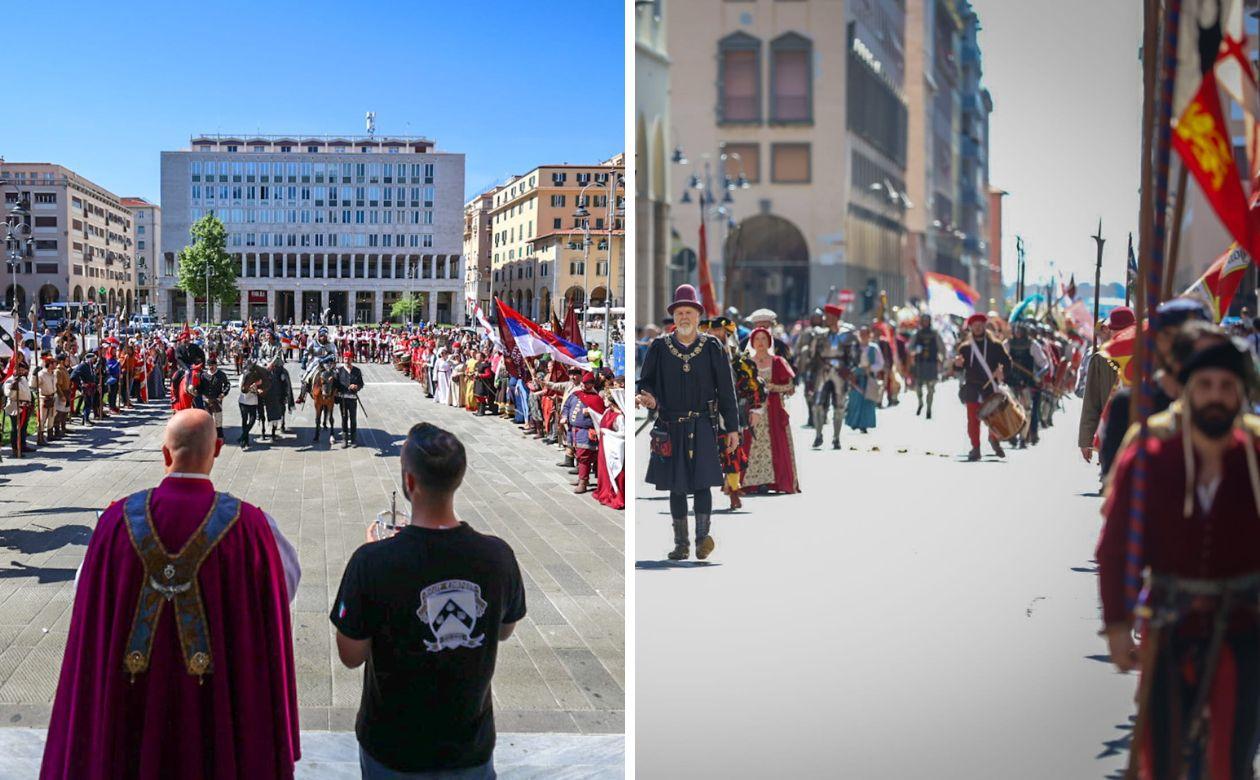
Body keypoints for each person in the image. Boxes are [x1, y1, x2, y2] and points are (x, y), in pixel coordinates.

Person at [42, 409, 301, 780]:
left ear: (165, 454)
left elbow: (87, 592)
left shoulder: (114, 521)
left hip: (132, 696)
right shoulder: (252, 526)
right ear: (218, 450)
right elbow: (283, 591)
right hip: (216, 698)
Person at [1097, 339, 1260, 777]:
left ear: (1240, 394)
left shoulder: (1256, 459)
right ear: (1187, 391)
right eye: (1204, 384)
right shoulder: (1150, 458)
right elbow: (1114, 546)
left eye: (1226, 386)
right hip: (1168, 628)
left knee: (1230, 761)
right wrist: (1116, 625)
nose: (1214, 395)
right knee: (1161, 758)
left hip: (1244, 630)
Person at [330, 423, 525, 779]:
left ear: (409, 482)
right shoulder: (498, 556)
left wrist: (378, 559)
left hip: (392, 747)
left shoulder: (371, 562)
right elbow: (504, 630)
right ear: (459, 479)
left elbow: (350, 655)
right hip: (469, 744)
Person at [637, 284, 740, 561]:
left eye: (689, 312)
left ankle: (701, 539)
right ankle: (681, 544)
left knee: (703, 484)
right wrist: (648, 398)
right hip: (671, 425)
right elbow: (645, 382)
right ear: (674, 316)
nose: (684, 317)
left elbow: (727, 390)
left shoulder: (712, 347)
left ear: (698, 316)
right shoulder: (659, 346)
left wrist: (733, 428)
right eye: (680, 312)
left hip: (704, 424)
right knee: (677, 486)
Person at [741, 326, 799, 494]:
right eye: (757, 339)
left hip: (773, 410)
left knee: (776, 444)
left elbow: (789, 385)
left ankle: (772, 481)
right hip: (752, 410)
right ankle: (751, 482)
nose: (760, 343)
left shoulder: (778, 361)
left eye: (764, 339)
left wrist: (773, 387)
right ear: (752, 342)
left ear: (769, 342)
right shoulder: (746, 362)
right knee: (751, 442)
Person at [1079, 306, 1135, 465]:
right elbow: (1092, 401)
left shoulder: (1148, 353)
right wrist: (1086, 439)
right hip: (1113, 432)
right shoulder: (1100, 359)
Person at [955, 312, 1013, 461]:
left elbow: (1007, 363)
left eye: (981, 325)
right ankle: (975, 448)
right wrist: (958, 365)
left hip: (990, 388)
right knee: (973, 421)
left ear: (984, 326)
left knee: (994, 418)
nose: (978, 328)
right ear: (971, 328)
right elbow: (959, 370)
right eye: (975, 326)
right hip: (972, 388)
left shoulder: (995, 346)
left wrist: (1002, 372)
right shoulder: (965, 348)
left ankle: (994, 439)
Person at [809, 304, 857, 449]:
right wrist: (811, 374)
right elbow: (813, 355)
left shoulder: (846, 334)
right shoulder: (820, 334)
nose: (825, 319)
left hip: (840, 371)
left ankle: (836, 438)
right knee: (817, 404)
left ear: (835, 318)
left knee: (839, 405)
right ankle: (818, 435)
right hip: (823, 371)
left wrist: (849, 371)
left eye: (828, 316)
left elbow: (853, 356)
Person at [1006, 321, 1050, 448]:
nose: (1018, 333)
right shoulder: (1008, 344)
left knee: (1026, 410)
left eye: (1021, 331)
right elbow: (1001, 358)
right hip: (1011, 381)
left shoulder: (1032, 345)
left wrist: (1038, 375)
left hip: (1026, 382)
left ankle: (1023, 437)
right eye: (1016, 331)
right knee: (1009, 409)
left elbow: (1044, 364)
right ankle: (1012, 434)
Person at [562, 372, 606, 494]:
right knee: (578, 455)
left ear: (592, 384)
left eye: (587, 383)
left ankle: (583, 482)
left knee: (584, 457)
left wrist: (591, 411)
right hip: (573, 430)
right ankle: (582, 478)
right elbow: (566, 406)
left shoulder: (596, 399)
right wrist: (565, 416)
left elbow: (601, 416)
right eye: (583, 383)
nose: (584, 385)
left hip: (586, 432)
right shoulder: (575, 394)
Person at [845, 325, 884, 434]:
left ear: (869, 335)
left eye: (865, 334)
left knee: (867, 402)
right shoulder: (854, 347)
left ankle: (864, 424)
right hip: (856, 379)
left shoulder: (874, 348)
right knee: (855, 400)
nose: (863, 336)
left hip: (869, 379)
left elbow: (880, 363)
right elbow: (849, 361)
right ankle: (854, 423)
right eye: (861, 334)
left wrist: (870, 368)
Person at [910, 312, 946, 419]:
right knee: (918, 387)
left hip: (931, 363)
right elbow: (910, 347)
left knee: (931, 388)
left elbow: (942, 348)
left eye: (927, 320)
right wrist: (915, 350)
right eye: (924, 320)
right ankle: (920, 402)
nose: (925, 322)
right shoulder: (917, 334)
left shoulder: (935, 334)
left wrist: (942, 360)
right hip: (920, 363)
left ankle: (929, 408)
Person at [4, 358, 34, 458]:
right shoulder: (10, 380)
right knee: (15, 429)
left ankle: (23, 445)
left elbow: (27, 393)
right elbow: (8, 394)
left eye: (23, 369)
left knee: (23, 428)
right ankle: (15, 449)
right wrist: (13, 385)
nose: (22, 371)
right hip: (15, 407)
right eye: (19, 369)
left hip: (25, 407)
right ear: (15, 369)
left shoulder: (24, 379)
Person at [334, 350, 364, 448]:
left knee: (353, 419)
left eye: (349, 359)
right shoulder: (339, 370)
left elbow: (361, 384)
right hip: (343, 399)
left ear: (352, 359)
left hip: (352, 399)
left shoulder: (357, 371)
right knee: (344, 419)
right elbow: (336, 385)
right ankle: (344, 439)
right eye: (346, 358)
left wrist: (356, 386)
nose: (347, 360)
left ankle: (354, 439)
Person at [238, 358, 269, 448]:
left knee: (252, 419)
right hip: (243, 401)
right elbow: (243, 389)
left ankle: (243, 436)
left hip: (253, 402)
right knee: (244, 420)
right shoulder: (242, 377)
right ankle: (245, 440)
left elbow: (261, 383)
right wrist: (255, 389)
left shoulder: (257, 378)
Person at [262, 354, 296, 439]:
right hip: (266, 363)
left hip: (277, 364)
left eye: (270, 338)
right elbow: (261, 355)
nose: (269, 339)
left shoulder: (277, 345)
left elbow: (279, 358)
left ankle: (287, 395)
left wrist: (275, 362)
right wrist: (266, 362)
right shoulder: (264, 345)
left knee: (284, 376)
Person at [202, 355, 232, 442]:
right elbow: (200, 387)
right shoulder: (204, 375)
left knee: (218, 418)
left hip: (217, 399)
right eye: (209, 365)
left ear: (216, 365)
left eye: (213, 365)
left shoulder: (221, 374)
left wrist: (224, 393)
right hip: (206, 400)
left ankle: (220, 435)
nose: (211, 367)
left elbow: (227, 384)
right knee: (208, 418)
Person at [70, 352, 100, 427]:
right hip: (86, 388)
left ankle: (86, 419)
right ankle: (86, 420)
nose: (94, 360)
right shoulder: (82, 366)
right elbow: (73, 376)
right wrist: (81, 384)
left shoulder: (90, 366)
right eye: (93, 358)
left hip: (91, 387)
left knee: (89, 403)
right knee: (87, 404)